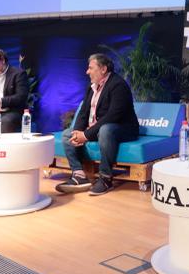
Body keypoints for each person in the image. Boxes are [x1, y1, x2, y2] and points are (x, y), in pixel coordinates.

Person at [55, 54, 140, 196]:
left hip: (123, 128)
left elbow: (113, 116)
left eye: (90, 68)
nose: (87, 72)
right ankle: (79, 175)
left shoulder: (118, 85)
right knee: (67, 134)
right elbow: (83, 112)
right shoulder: (92, 87)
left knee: (105, 130)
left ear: (103, 69)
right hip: (99, 128)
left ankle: (106, 178)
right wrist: (78, 132)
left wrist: (86, 135)